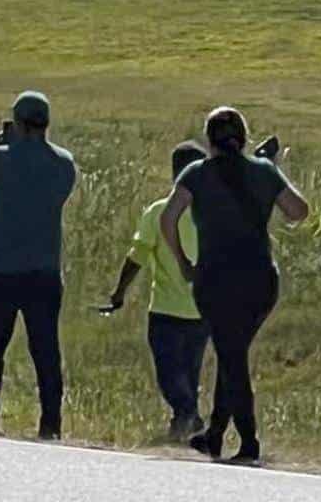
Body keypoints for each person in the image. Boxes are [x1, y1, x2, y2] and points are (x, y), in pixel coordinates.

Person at [160, 107, 309, 466]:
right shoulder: (263, 171)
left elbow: (168, 218)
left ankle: (248, 442)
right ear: (243, 137)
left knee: (232, 355)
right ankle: (214, 434)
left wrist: (183, 262)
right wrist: (271, 173)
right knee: (233, 352)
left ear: (209, 141)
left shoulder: (196, 174)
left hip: (215, 279)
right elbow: (298, 211)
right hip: (260, 280)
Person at [0, 92, 76, 440]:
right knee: (46, 348)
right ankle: (51, 422)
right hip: (44, 268)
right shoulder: (64, 163)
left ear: (20, 121)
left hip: (2, 266)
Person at [105, 140, 207, 441]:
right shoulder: (213, 214)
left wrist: (120, 292)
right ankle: (185, 420)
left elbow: (136, 256)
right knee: (189, 371)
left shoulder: (160, 211)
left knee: (169, 373)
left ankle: (188, 414)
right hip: (203, 311)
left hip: (166, 309)